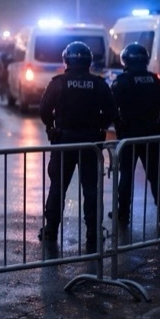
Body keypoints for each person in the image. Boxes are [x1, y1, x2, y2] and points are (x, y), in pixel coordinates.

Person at [38, 41, 115, 252]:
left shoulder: (59, 83)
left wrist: (51, 125)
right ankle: (93, 232)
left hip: (64, 142)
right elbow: (110, 112)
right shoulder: (98, 84)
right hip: (90, 143)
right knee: (90, 189)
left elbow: (44, 110)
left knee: (57, 188)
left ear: (67, 60)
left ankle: (51, 230)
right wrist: (99, 126)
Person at [110, 43, 160, 227]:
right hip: (151, 135)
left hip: (128, 136)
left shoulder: (122, 81)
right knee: (156, 176)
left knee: (126, 176)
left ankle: (122, 214)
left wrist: (118, 123)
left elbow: (113, 107)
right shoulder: (155, 80)